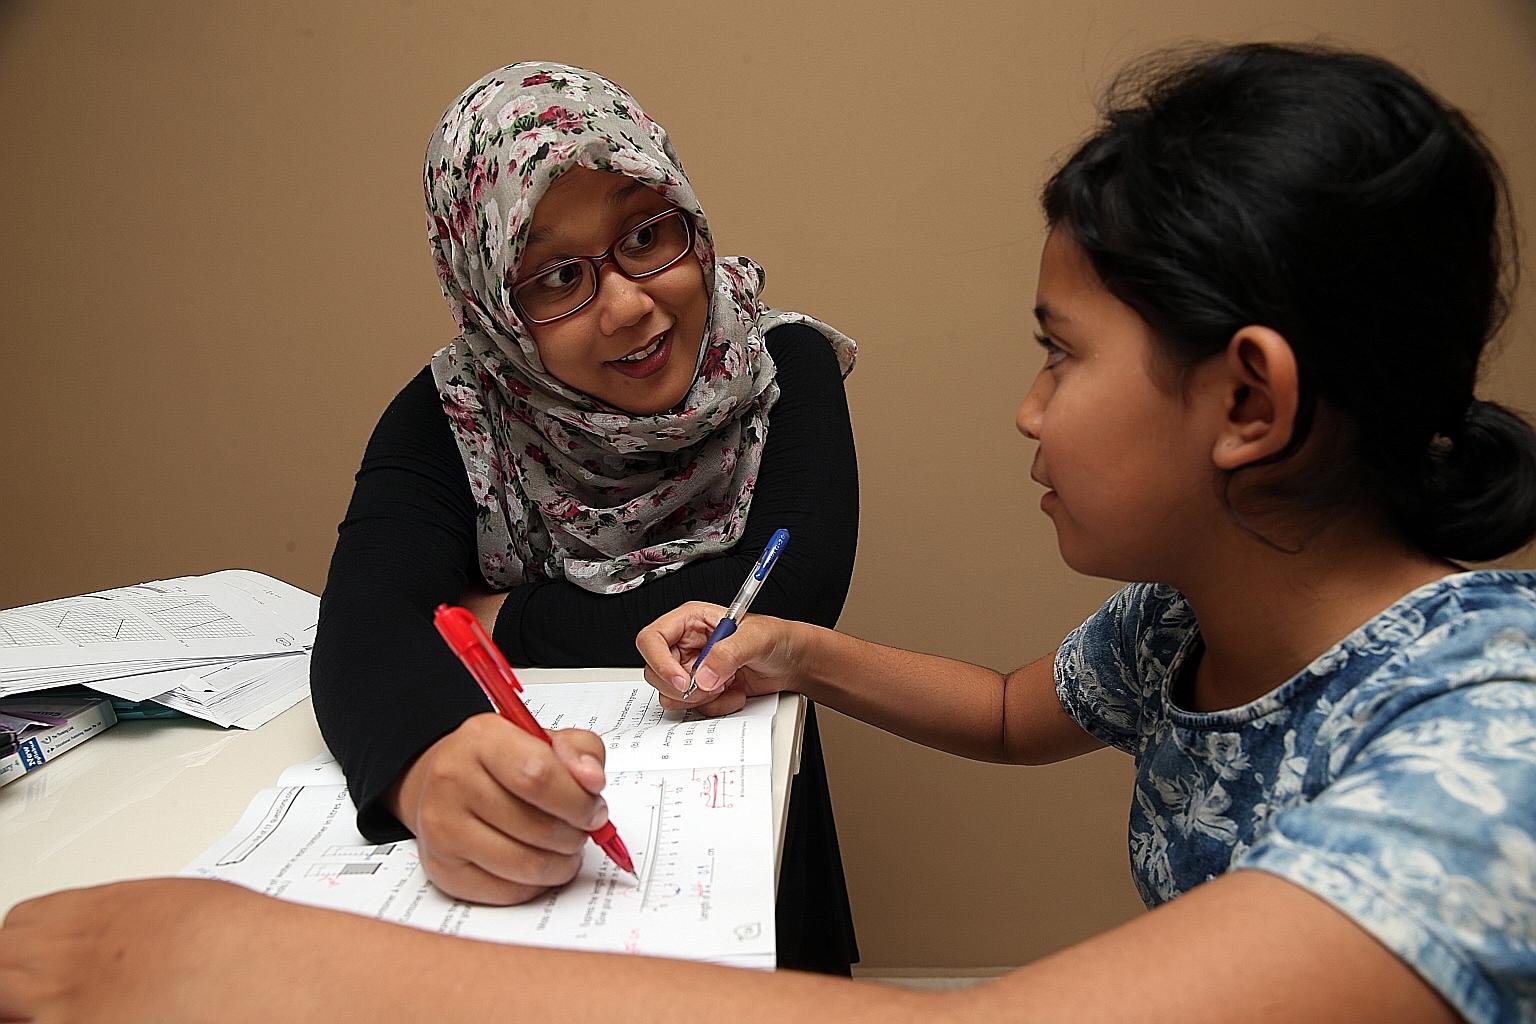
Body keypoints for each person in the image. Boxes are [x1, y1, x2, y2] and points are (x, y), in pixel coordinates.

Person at [3, 41, 1534, 1024]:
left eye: (1058, 355)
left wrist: (252, 966)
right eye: (555, 278)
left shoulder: (1493, 744)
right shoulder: (1188, 624)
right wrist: (797, 650)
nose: (1025, 410)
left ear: (1249, 400)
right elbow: (1016, 711)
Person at [305, 62, 860, 972]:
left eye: (647, 234)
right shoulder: (456, 414)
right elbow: (364, 628)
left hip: (746, 832)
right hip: (528, 883)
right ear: (492, 302)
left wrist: (502, 620)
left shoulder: (776, 362)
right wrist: (424, 771)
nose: (630, 304)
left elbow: (789, 594)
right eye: (558, 278)